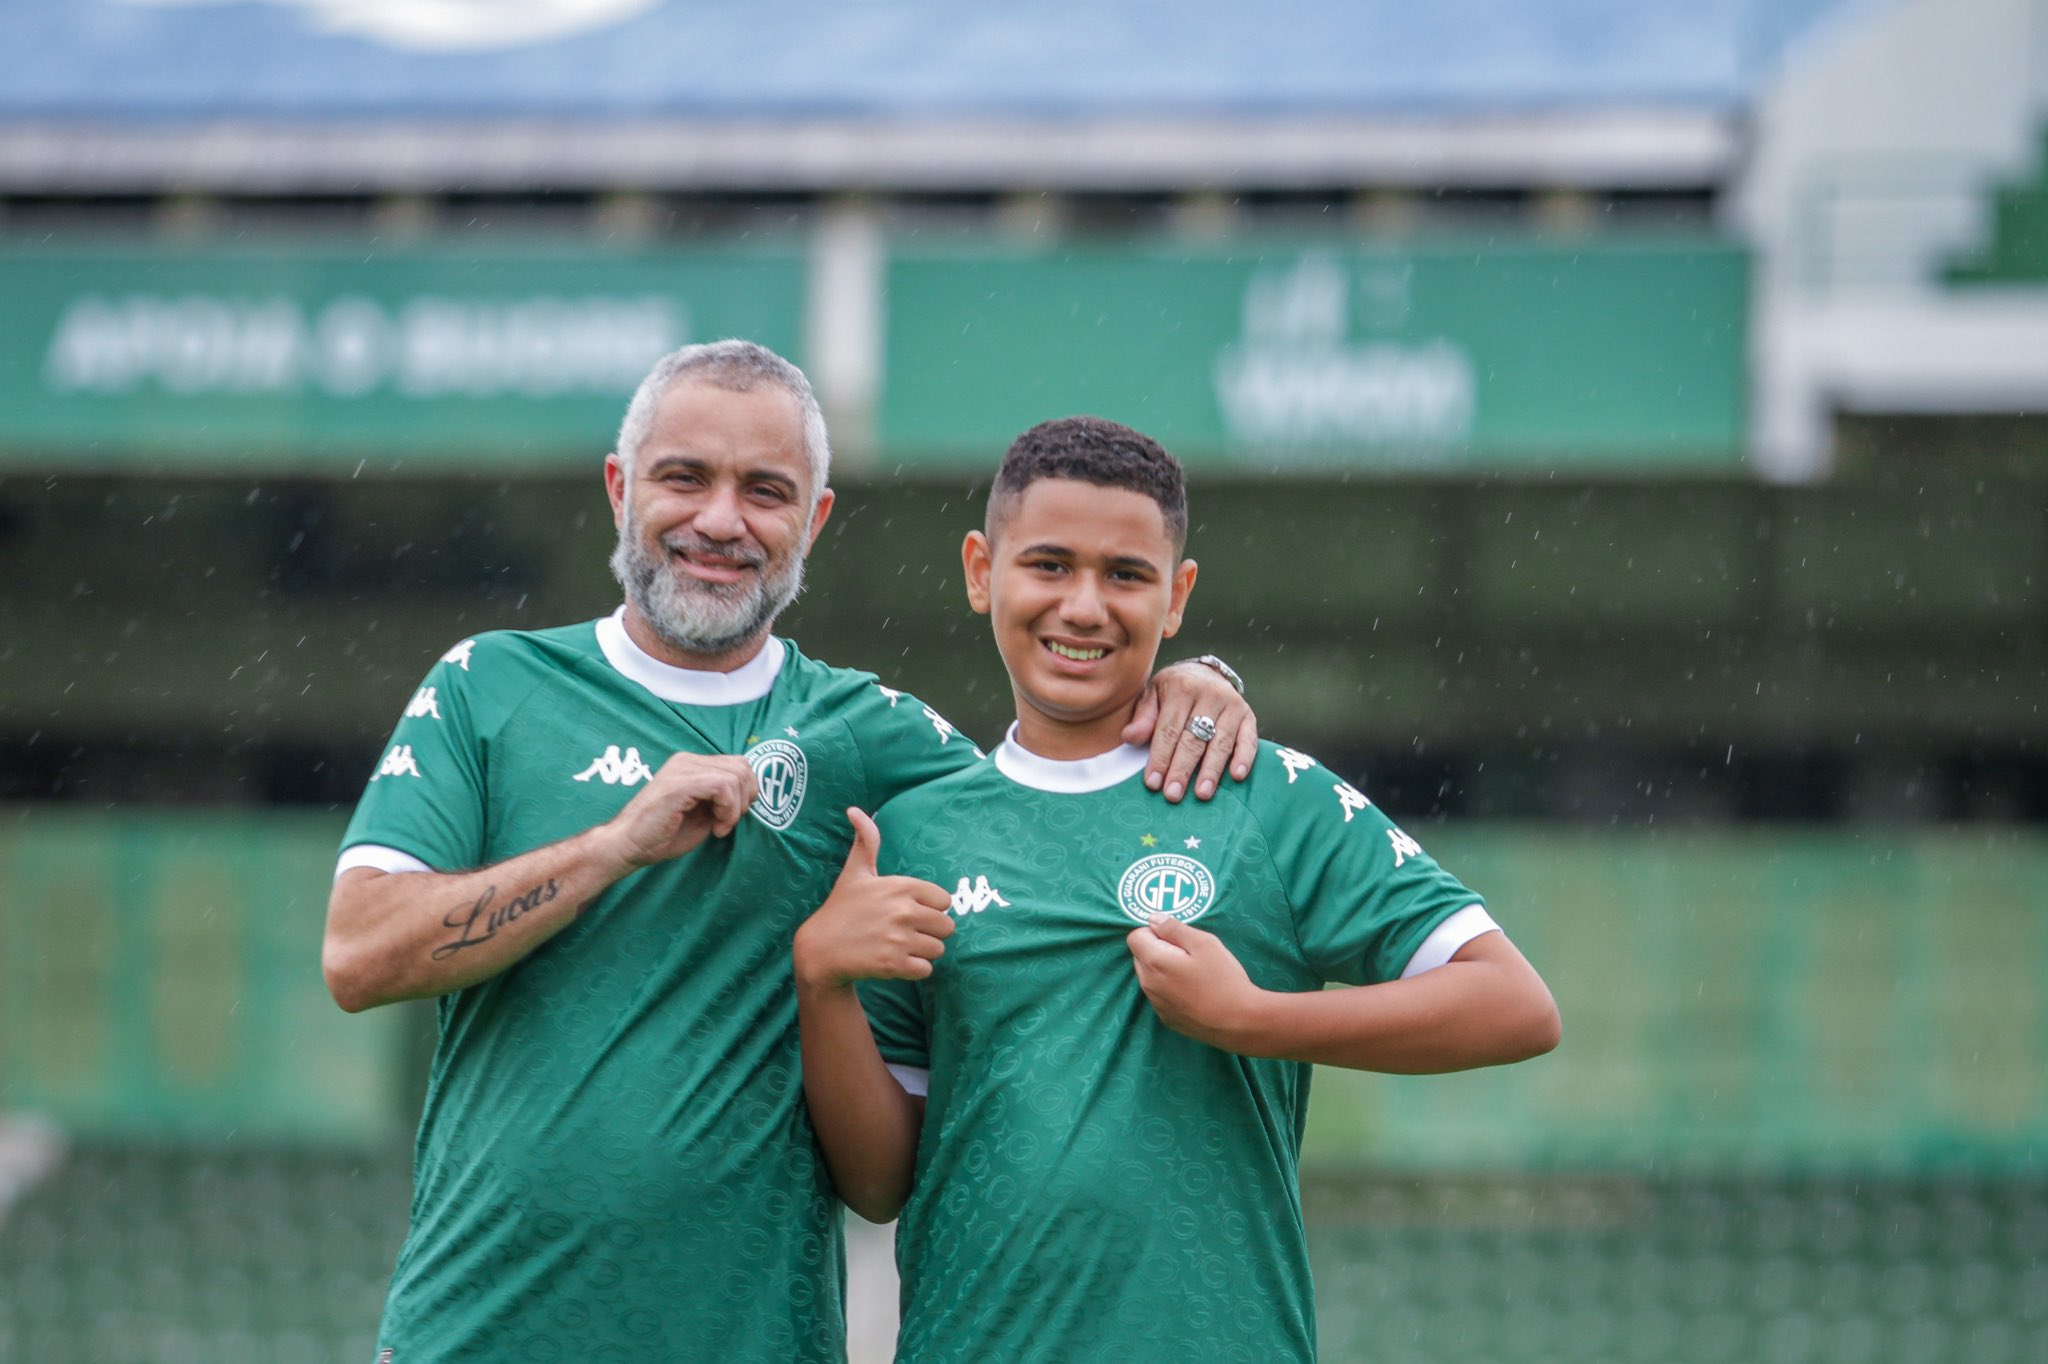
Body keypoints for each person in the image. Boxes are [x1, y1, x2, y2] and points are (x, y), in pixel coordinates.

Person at [321, 344, 1258, 1362]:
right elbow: (361, 953)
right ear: (618, 487)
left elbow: (1056, 784)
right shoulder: (490, 685)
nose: (720, 520)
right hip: (478, 1333)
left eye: (764, 491)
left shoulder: (872, 732)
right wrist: (611, 845)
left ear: (810, 520)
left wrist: (1188, 680)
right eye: (684, 477)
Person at [792, 416, 1561, 1363]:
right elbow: (880, 1182)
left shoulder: (1265, 794)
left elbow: (1513, 1005)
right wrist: (821, 984)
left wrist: (1249, 1018)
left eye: (1125, 575)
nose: (1083, 607)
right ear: (980, 570)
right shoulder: (915, 832)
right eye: (1049, 565)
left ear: (1178, 593)